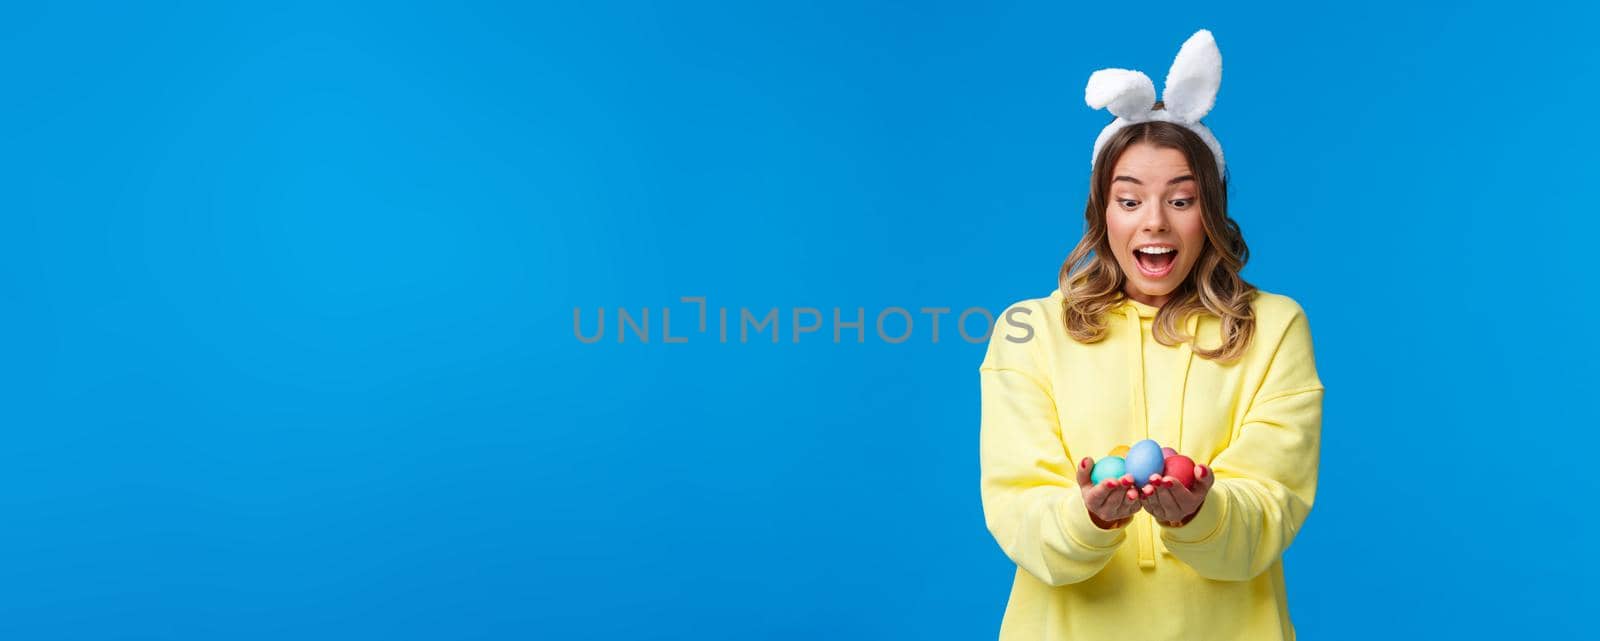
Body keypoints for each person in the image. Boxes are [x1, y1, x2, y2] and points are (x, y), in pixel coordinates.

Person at [977, 30, 1323, 640]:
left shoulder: (1273, 328)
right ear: (1102, 212)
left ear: (1210, 212)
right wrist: (1086, 519)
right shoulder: (1029, 331)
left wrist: (1202, 514)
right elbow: (1019, 512)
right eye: (1130, 199)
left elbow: (1270, 510)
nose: (1155, 221)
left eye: (1181, 199)